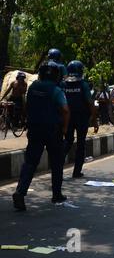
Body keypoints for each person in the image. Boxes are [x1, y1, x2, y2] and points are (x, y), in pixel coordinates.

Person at [12, 62, 70, 211]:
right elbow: (65, 110)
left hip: (35, 128)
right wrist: (64, 128)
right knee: (57, 162)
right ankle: (56, 194)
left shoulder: (33, 87)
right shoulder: (56, 90)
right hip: (52, 130)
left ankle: (20, 192)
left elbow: (26, 107)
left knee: (30, 162)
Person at [62, 61, 99, 178]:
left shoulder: (63, 84)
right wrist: (94, 120)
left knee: (67, 141)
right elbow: (90, 103)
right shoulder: (83, 85)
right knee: (81, 143)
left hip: (67, 117)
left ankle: (57, 166)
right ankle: (77, 171)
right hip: (81, 118)